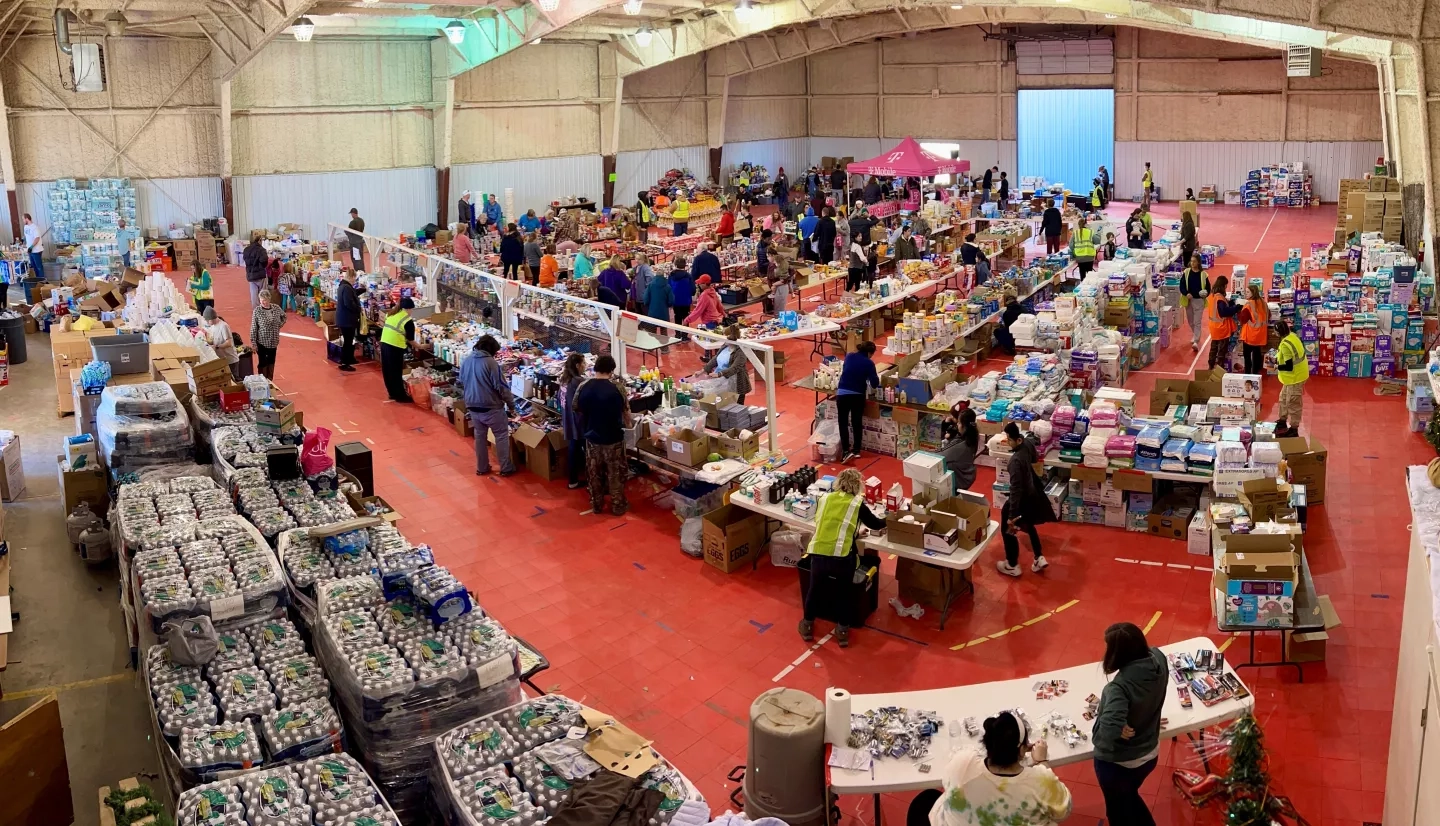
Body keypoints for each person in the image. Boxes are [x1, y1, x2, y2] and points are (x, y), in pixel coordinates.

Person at [911, 710, 1071, 826]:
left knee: (927, 799)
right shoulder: (1040, 782)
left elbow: (947, 783)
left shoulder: (963, 762)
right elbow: (1063, 810)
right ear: (1022, 750)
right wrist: (1041, 762)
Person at [799, 467, 886, 647]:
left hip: (819, 554)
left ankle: (807, 625)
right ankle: (843, 631)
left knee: (813, 591)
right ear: (858, 485)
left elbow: (828, 523)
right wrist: (893, 518)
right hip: (842, 557)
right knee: (844, 595)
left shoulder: (824, 499)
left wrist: (852, 532)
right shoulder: (856, 504)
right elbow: (875, 524)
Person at [1092, 622, 1168, 826]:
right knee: (1129, 798)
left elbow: (1105, 734)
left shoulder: (1117, 687)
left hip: (1120, 765)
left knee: (1118, 812)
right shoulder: (1159, 658)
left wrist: (1115, 727)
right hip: (1150, 753)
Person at [575, 355, 631, 516]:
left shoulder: (583, 386)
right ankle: (617, 505)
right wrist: (629, 428)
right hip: (614, 438)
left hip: (592, 438)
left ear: (596, 368)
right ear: (611, 371)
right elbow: (626, 411)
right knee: (615, 474)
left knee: (594, 474)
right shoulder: (617, 387)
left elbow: (576, 408)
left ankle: (597, 505)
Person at [996, 423, 1054, 577]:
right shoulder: (1027, 444)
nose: (1008, 442)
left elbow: (1015, 490)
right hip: (1032, 494)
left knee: (1008, 529)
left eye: (1009, 440)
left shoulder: (1015, 462)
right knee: (1028, 525)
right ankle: (1038, 557)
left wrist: (1011, 516)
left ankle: (1012, 564)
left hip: (1020, 499)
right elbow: (1035, 458)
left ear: (1018, 440)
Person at [458, 334, 517, 476]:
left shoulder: (466, 361)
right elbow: (502, 387)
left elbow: (461, 380)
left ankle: (482, 467)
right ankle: (505, 468)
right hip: (491, 407)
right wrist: (511, 405)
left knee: (479, 437)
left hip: (472, 406)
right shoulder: (491, 363)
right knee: (501, 435)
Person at [836, 341, 879, 462]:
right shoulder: (869, 363)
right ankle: (856, 450)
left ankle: (845, 451)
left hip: (842, 393)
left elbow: (847, 370)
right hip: (857, 395)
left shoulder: (849, 356)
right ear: (870, 353)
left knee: (843, 422)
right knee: (856, 422)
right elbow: (875, 383)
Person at [554, 353, 590, 490]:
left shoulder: (564, 379)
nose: (585, 366)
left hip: (568, 419)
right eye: (584, 363)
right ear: (577, 365)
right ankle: (589, 480)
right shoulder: (577, 382)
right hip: (578, 422)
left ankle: (573, 480)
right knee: (586, 450)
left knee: (573, 449)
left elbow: (559, 399)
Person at [1274, 319, 1308, 437]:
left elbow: (1288, 366)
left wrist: (1276, 366)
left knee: (1294, 403)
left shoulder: (1285, 346)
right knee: (1283, 398)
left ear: (1278, 333)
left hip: (1295, 377)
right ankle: (1282, 421)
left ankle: (1294, 429)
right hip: (1290, 378)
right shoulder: (1292, 336)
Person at [379, 297, 416, 402]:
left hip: (384, 343)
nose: (411, 312)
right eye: (411, 309)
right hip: (395, 346)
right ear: (408, 309)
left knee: (387, 370)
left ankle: (392, 393)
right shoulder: (407, 321)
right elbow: (411, 340)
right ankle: (400, 396)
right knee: (396, 371)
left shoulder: (391, 314)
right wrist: (422, 346)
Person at [704, 325, 753, 404]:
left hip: (737, 384)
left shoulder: (741, 351)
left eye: (725, 336)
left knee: (736, 408)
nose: (723, 338)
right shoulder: (725, 346)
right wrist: (704, 369)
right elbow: (716, 358)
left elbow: (735, 368)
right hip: (722, 382)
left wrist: (720, 374)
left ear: (731, 337)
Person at [249, 289, 286, 382]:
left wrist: (279, 325)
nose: (263, 302)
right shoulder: (257, 311)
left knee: (271, 361)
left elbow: (284, 316)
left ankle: (270, 380)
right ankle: (262, 381)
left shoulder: (276, 308)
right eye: (261, 300)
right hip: (261, 341)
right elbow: (254, 327)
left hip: (274, 341)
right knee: (262, 362)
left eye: (265, 300)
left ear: (269, 299)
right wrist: (253, 343)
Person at [939, 408, 979, 492]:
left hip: (957, 481)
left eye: (959, 423)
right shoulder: (971, 438)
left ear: (964, 426)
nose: (957, 424)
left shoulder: (961, 446)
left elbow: (941, 455)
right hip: (964, 474)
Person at [1206, 274, 1241, 369]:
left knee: (1213, 348)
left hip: (1213, 327)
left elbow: (1219, 308)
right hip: (1222, 328)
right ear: (1223, 285)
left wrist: (1230, 303)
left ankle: (1211, 365)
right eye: (1226, 285)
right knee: (1221, 349)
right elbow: (1224, 312)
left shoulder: (1213, 296)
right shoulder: (1220, 298)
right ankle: (1219, 368)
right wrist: (1236, 308)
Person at [1237, 283, 1270, 375]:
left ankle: (1248, 373)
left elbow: (1243, 319)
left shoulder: (1248, 305)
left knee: (1247, 357)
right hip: (1261, 335)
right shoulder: (1263, 303)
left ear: (1253, 293)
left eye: (1247, 292)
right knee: (1257, 354)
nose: (1245, 294)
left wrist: (1239, 311)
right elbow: (1269, 315)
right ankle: (1256, 372)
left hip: (1250, 336)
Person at [202, 307, 241, 381]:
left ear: (211, 319)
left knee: (234, 380)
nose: (207, 323)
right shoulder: (213, 326)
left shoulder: (223, 326)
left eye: (207, 320)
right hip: (222, 359)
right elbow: (214, 340)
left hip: (230, 360)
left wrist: (216, 347)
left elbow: (228, 343)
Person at [335, 270, 363, 372]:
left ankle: (350, 358)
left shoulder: (343, 286)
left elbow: (353, 294)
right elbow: (349, 303)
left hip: (344, 318)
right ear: (351, 277)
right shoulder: (346, 287)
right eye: (354, 279)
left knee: (350, 340)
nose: (354, 281)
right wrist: (359, 308)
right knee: (348, 341)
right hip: (346, 319)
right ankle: (344, 363)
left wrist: (362, 290)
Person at [243, 232, 269, 306]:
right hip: (260, 274)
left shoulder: (246, 250)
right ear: (259, 240)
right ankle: (264, 307)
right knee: (263, 292)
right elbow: (264, 261)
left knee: (253, 293)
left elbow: (245, 260)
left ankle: (256, 308)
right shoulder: (262, 250)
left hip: (250, 274)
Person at [669, 255, 695, 326]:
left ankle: (677, 334)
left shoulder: (671, 275)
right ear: (684, 266)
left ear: (675, 265)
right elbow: (693, 289)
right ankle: (685, 335)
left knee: (677, 316)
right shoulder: (688, 276)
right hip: (686, 301)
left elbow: (668, 288)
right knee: (686, 317)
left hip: (675, 300)